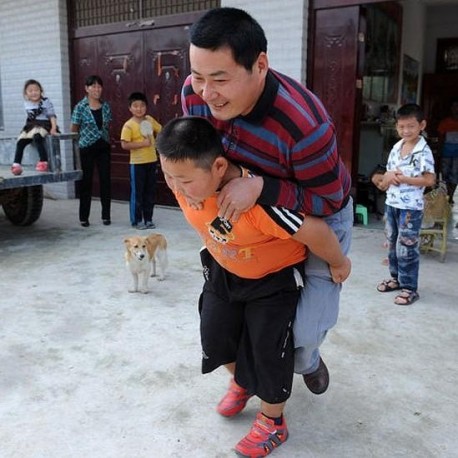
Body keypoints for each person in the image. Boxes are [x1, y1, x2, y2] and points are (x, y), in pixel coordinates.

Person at [182, 7, 353, 397]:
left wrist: (258, 186)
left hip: (314, 212)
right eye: (198, 76)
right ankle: (247, 378)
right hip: (253, 211)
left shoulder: (304, 126)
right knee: (238, 313)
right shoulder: (194, 98)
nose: (206, 93)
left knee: (304, 329)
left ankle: (307, 360)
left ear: (260, 64)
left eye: (220, 79)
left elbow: (324, 202)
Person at [156, 116, 351, 457]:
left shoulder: (254, 203)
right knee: (216, 335)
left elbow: (316, 232)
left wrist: (338, 262)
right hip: (223, 272)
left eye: (183, 179)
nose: (174, 186)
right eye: (168, 175)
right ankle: (243, 382)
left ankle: (273, 421)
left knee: (268, 348)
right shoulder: (190, 188)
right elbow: (197, 207)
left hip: (272, 282)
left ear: (218, 166)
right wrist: (189, 188)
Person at [375, 104, 436, 305]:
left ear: (422, 125)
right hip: (392, 204)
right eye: (401, 127)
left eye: (410, 126)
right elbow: (389, 175)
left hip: (410, 208)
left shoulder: (423, 151)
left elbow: (429, 180)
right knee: (392, 242)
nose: (406, 131)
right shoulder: (396, 147)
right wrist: (386, 179)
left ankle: (410, 288)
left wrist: (405, 179)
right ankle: (396, 279)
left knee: (407, 247)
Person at [71, 75, 112, 227]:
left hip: (103, 147)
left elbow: (107, 126)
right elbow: (74, 129)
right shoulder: (80, 107)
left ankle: (106, 216)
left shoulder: (106, 106)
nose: (96, 89)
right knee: (86, 182)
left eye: (99, 86)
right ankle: (84, 217)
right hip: (86, 148)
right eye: (93, 86)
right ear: (86, 89)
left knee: (105, 181)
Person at [120, 92, 162, 229]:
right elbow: (124, 144)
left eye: (142, 105)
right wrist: (142, 144)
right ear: (130, 108)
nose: (139, 109)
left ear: (146, 107)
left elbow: (161, 130)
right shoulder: (128, 125)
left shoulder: (149, 120)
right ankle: (136, 221)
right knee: (137, 193)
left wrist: (159, 144)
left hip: (152, 161)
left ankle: (148, 219)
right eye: (135, 106)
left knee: (150, 192)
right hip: (137, 164)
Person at [11, 79, 58, 176]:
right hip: (31, 125)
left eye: (36, 90)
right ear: (26, 93)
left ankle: (43, 161)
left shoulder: (46, 102)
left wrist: (53, 128)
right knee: (21, 141)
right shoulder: (26, 104)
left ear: (41, 91)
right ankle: (16, 164)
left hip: (44, 124)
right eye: (30, 91)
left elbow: (52, 116)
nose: (34, 93)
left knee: (37, 137)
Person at [437, 98, 458, 204]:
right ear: (451, 108)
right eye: (454, 107)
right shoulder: (445, 122)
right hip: (446, 152)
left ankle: (450, 196)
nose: (456, 109)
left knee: (455, 176)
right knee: (445, 175)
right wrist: (439, 151)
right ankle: (447, 195)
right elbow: (441, 137)